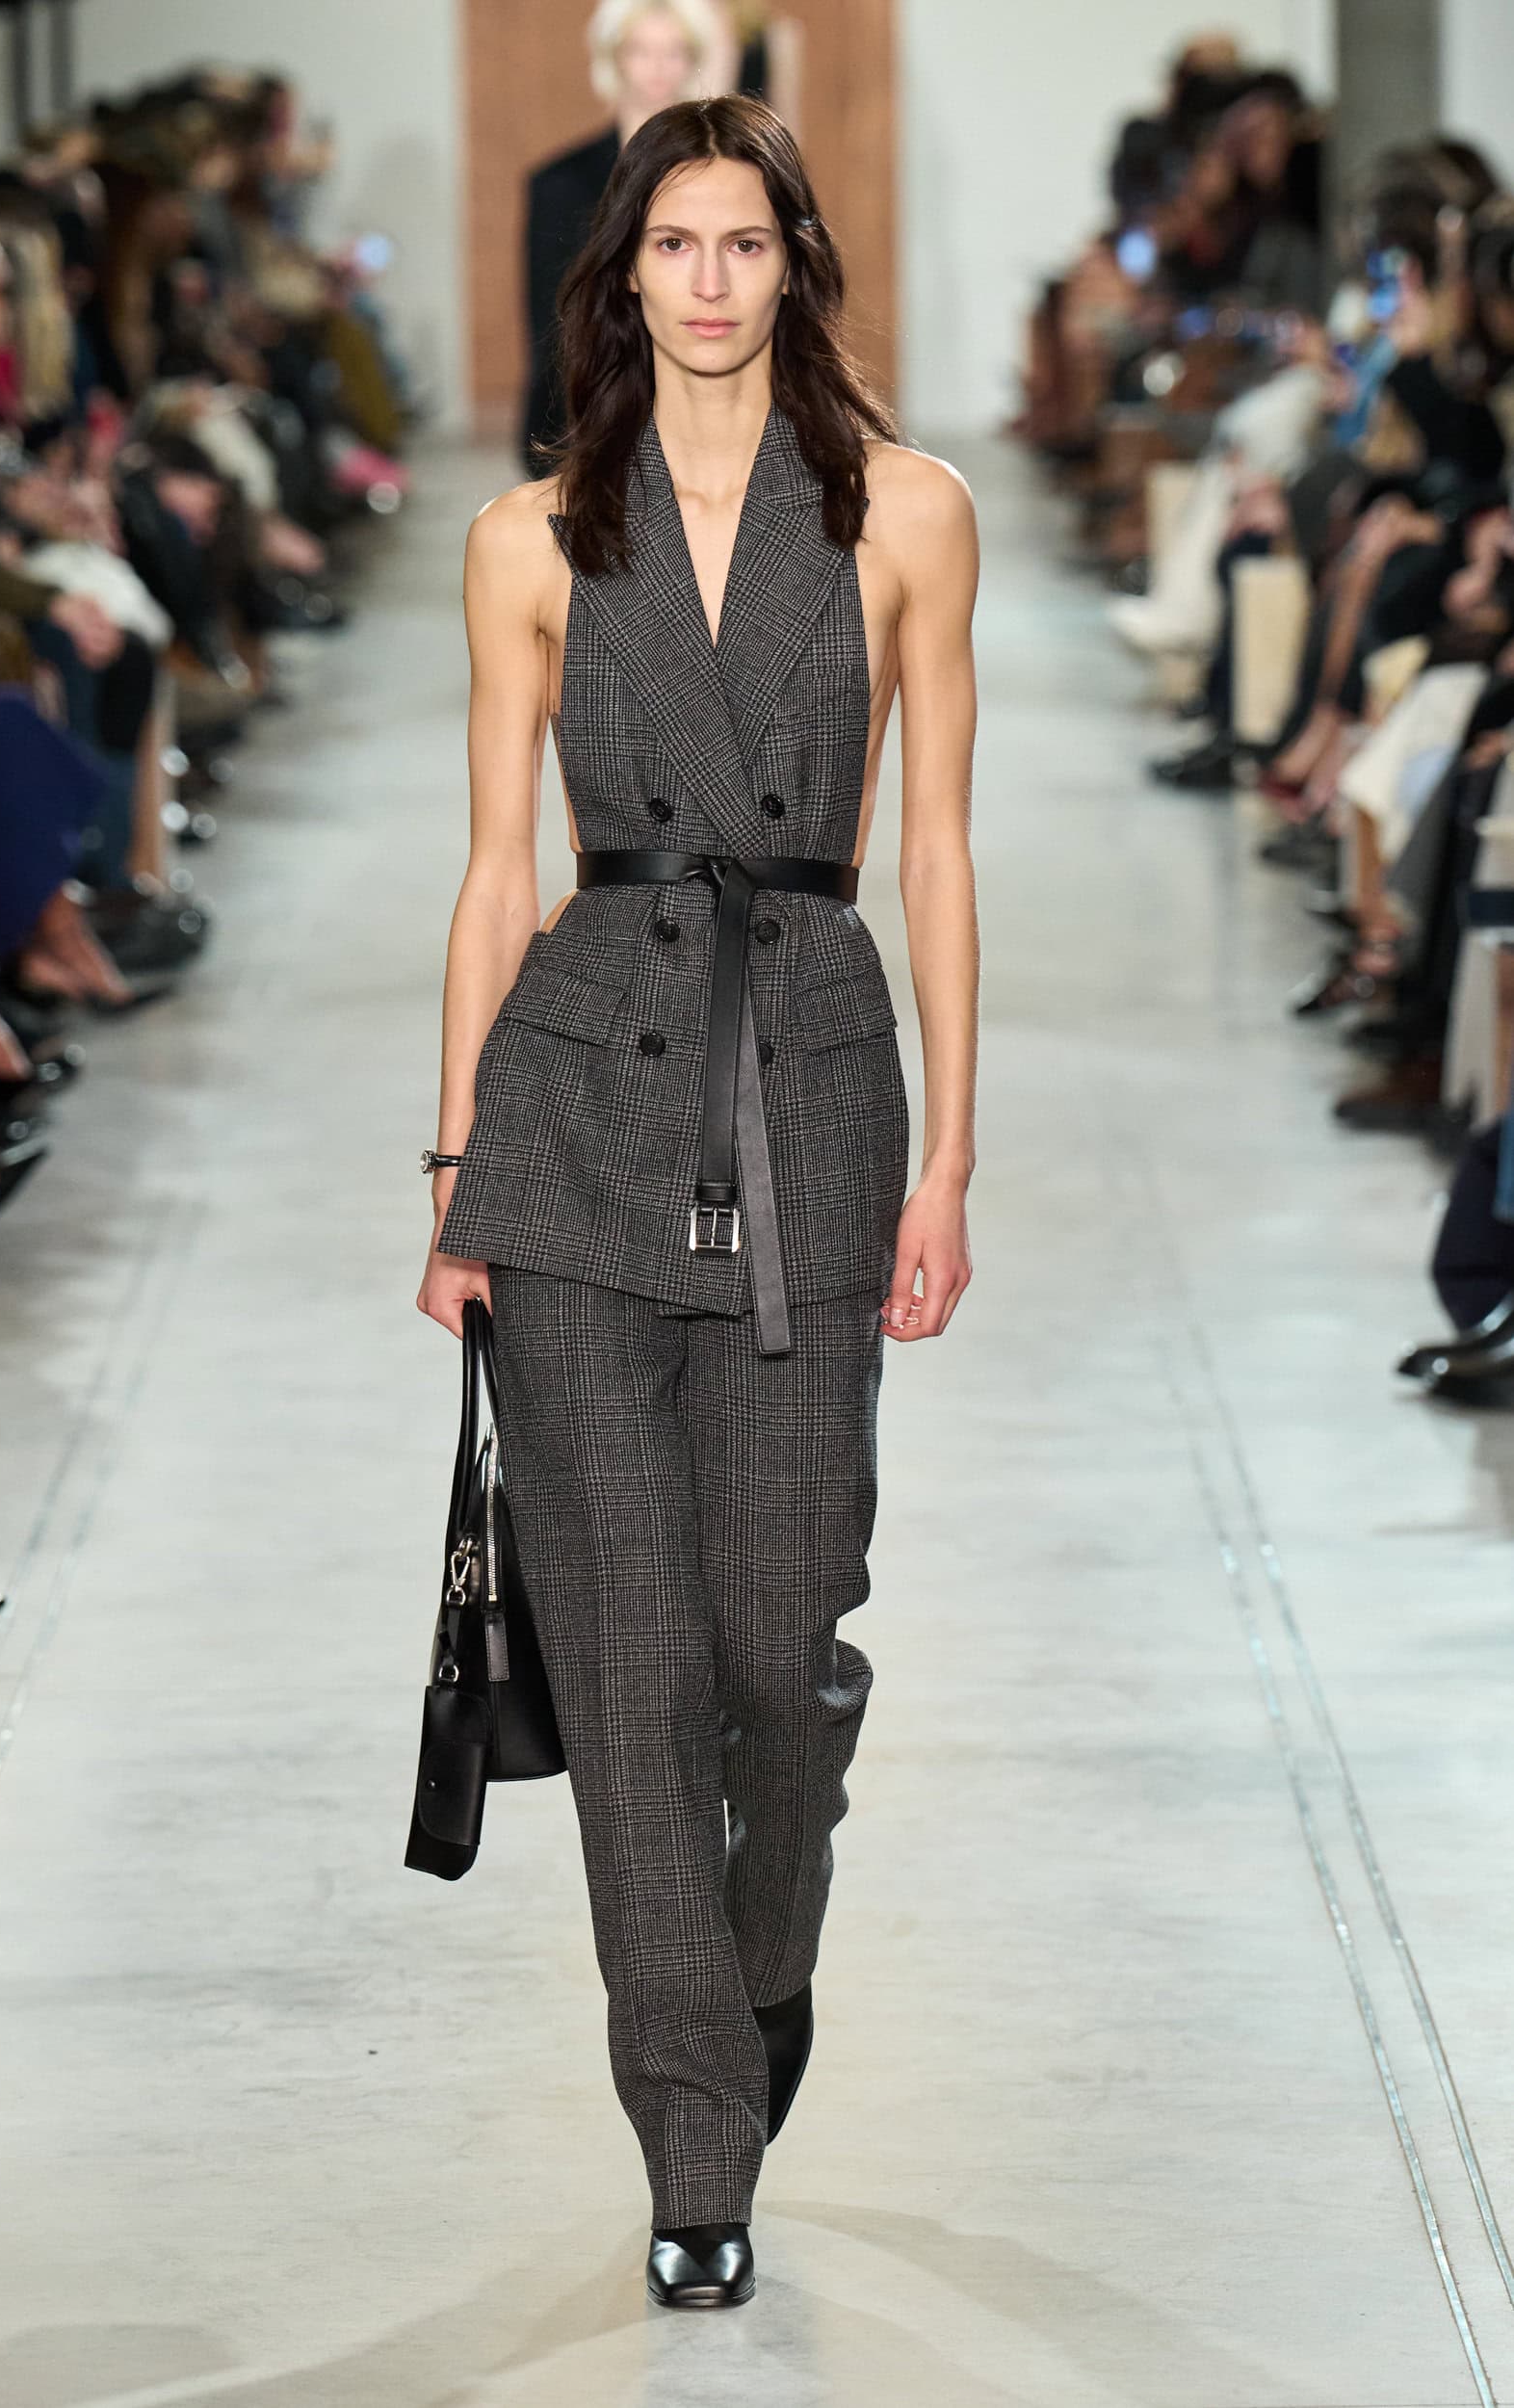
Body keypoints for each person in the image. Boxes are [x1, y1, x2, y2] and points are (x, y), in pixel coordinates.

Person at [418, 94, 979, 2309]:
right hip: (575, 1113)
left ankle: (758, 1975)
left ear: (792, 264)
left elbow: (935, 847)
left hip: (813, 1095)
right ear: (625, 273)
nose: (712, 280)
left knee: (780, 1649)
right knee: (631, 1664)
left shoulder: (907, 514)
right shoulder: (529, 538)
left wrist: (949, 1154)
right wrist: (455, 1167)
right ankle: (693, 2143)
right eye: (676, 244)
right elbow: (494, 871)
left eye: (747, 242)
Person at [519, 0, 718, 477]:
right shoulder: (559, 185)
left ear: (693, 61)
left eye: (673, 52)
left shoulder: (724, 182)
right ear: (613, 58)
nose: (657, 67)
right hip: (584, 415)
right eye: (640, 51)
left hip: (705, 410)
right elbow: (549, 320)